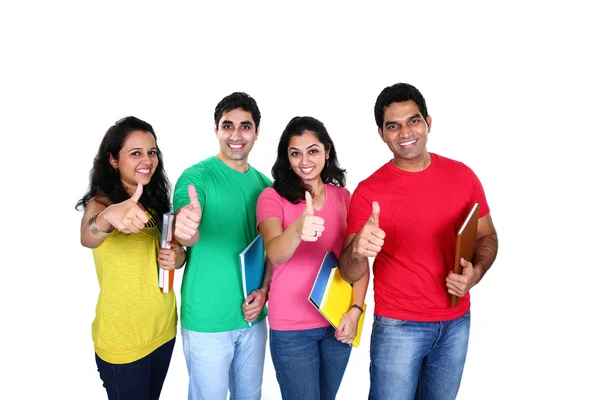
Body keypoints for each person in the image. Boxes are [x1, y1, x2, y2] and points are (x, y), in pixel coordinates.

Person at [339, 83, 499, 400]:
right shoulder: (368, 191)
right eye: (393, 126)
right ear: (381, 134)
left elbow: (487, 236)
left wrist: (475, 273)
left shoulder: (463, 176)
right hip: (398, 327)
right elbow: (349, 272)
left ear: (428, 122)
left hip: (456, 322)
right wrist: (358, 250)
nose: (405, 132)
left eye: (413, 120)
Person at [256, 116, 369, 400]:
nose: (304, 160)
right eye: (295, 153)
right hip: (292, 329)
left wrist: (356, 310)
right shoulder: (271, 197)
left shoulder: (344, 197)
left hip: (336, 321)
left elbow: (359, 260)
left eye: (313, 150)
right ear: (287, 157)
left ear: (327, 151)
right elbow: (274, 251)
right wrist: (296, 230)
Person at [76, 116, 186, 400]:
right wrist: (108, 217)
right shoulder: (100, 204)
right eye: (135, 153)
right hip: (123, 339)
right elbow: (87, 237)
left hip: (162, 329)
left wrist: (179, 256)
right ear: (113, 160)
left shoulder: (157, 203)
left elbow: (174, 256)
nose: (147, 159)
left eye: (152, 152)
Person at [172, 92, 272, 400]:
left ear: (256, 132)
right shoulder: (195, 178)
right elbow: (185, 234)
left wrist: (265, 290)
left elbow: (271, 250)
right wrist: (185, 227)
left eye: (245, 126)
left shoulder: (266, 186)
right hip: (208, 319)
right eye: (228, 126)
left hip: (253, 318)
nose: (236, 135)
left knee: (250, 396)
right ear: (216, 130)